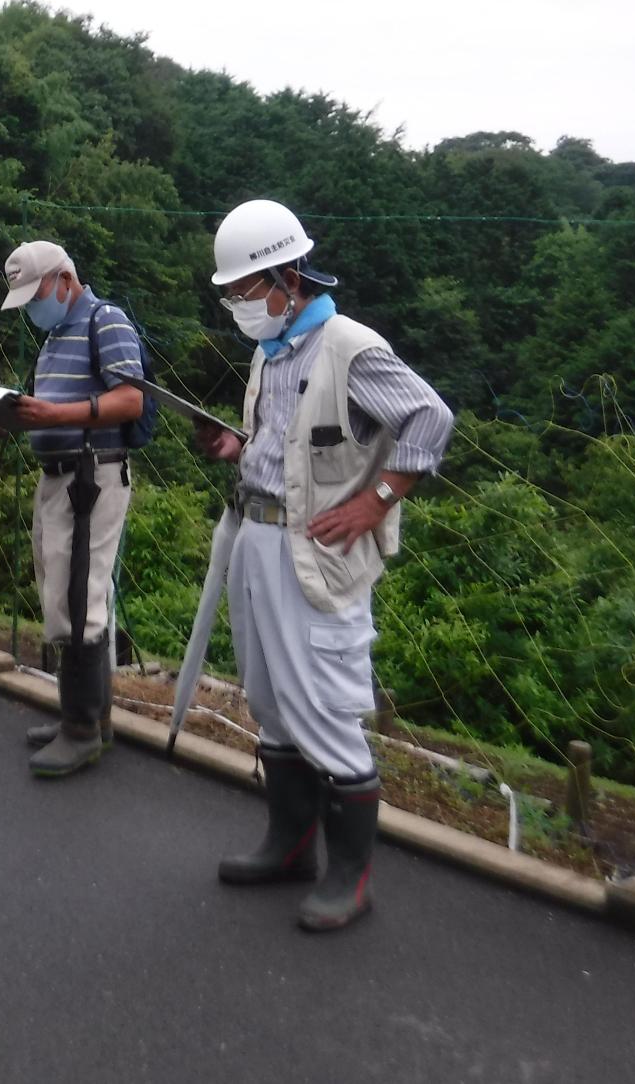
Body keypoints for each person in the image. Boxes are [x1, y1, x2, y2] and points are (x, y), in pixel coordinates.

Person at [195, 199, 453, 933]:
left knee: (325, 706)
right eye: (231, 294)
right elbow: (282, 442)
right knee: (271, 697)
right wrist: (237, 446)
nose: (238, 306)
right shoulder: (273, 349)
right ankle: (288, 847)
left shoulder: (349, 347)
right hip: (257, 536)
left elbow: (430, 417)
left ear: (287, 277)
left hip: (316, 552)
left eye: (244, 291)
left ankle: (351, 876)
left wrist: (377, 500)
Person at [0, 240, 153, 778]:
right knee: (64, 591)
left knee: (79, 595)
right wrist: (11, 417)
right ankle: (87, 718)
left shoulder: (105, 320)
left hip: (92, 476)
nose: (33, 309)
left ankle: (81, 730)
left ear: (64, 279)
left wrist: (54, 415)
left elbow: (131, 399)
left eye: (35, 295)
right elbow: (51, 408)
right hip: (58, 476)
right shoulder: (57, 333)